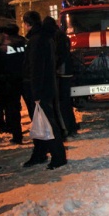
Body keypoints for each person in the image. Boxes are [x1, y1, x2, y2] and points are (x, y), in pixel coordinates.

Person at [22, 11, 67, 169]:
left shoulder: (36, 40)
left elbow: (36, 68)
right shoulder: (45, 37)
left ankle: (57, 156)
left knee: (47, 123)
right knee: (43, 121)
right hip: (47, 86)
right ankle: (41, 153)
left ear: (27, 24)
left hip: (40, 88)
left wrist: (36, 92)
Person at [42, 16, 78, 137]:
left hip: (61, 73)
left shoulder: (56, 37)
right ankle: (71, 126)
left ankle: (67, 127)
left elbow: (59, 55)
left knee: (62, 103)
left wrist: (54, 68)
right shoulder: (62, 36)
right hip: (66, 71)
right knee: (66, 102)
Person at [0, 23, 26, 144]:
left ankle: (17, 136)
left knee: (14, 111)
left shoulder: (4, 47)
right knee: (33, 108)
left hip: (11, 82)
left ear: (6, 34)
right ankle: (41, 135)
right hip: (26, 80)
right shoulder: (25, 43)